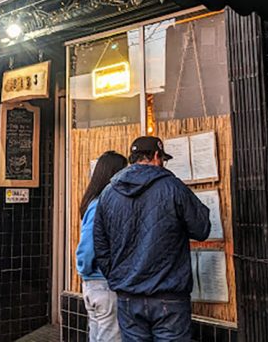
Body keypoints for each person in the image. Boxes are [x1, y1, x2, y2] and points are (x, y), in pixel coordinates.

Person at [94, 136, 211, 342]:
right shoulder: (172, 187)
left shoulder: (108, 192)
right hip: (169, 295)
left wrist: (116, 278)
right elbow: (202, 229)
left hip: (128, 295)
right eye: (163, 159)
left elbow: (100, 245)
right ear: (157, 156)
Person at [76, 151, 128, 342]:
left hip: (94, 283)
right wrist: (85, 268)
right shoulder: (100, 204)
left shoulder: (95, 202)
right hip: (103, 283)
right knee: (110, 336)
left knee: (97, 335)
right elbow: (88, 244)